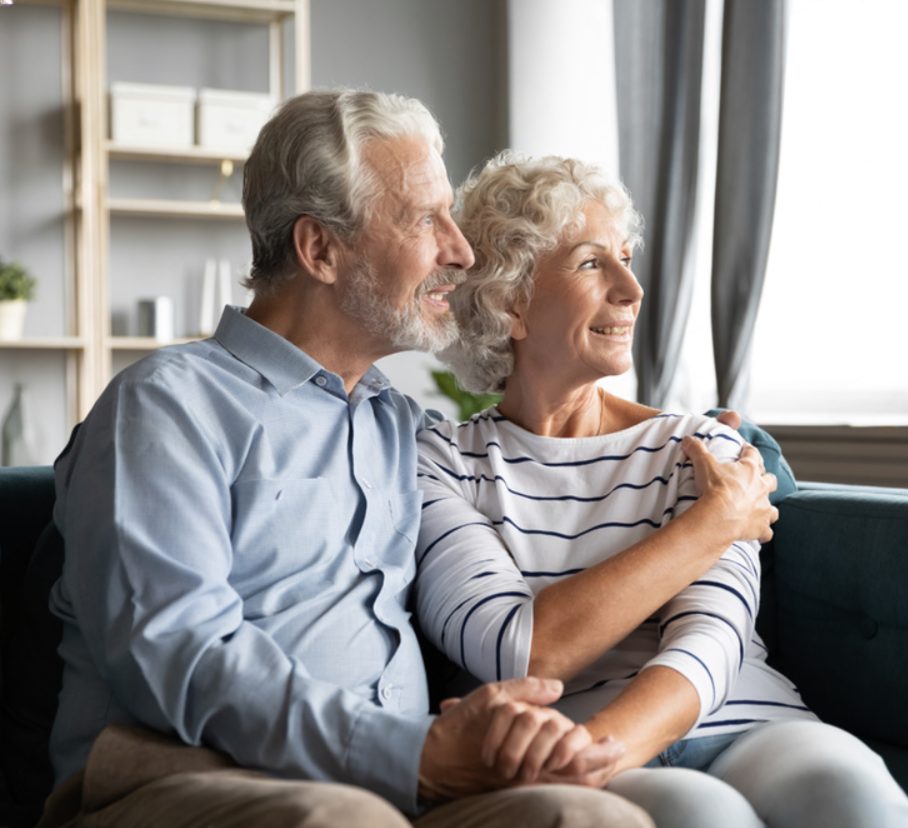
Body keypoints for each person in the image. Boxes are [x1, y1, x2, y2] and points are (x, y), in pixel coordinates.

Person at [38, 90, 658, 828]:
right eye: (426, 219)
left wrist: (692, 440)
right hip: (175, 778)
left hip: (396, 784)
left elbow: (535, 460)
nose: (458, 251)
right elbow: (178, 651)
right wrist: (412, 753)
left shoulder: (402, 429)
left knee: (588, 818)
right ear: (319, 250)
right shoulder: (167, 405)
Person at [414, 152, 908, 828]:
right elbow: (518, 648)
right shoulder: (441, 463)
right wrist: (712, 523)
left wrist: (604, 746)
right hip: (573, 749)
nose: (631, 288)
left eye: (626, 258)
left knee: (851, 801)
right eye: (593, 262)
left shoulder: (702, 448)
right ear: (511, 301)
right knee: (697, 815)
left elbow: (711, 638)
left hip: (746, 721)